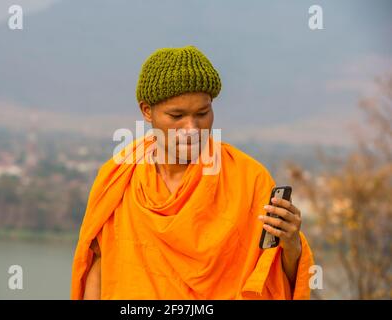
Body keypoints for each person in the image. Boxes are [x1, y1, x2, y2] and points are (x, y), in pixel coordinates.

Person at [71, 45, 314, 300]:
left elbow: (273, 276)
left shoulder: (248, 178)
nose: (191, 128)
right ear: (146, 111)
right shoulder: (119, 177)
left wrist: (291, 245)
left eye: (202, 113)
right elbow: (100, 265)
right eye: (176, 116)